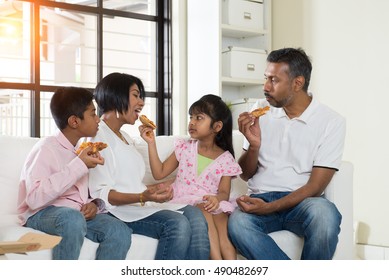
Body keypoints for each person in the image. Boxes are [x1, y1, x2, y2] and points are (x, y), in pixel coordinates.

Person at [228, 47, 346, 260]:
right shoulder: (260, 110)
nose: (265, 87)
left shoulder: (331, 122)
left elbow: (315, 186)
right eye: (266, 78)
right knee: (238, 224)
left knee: (325, 215)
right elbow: (245, 174)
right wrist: (253, 146)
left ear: (297, 83)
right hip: (260, 195)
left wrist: (270, 207)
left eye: (273, 80)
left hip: (304, 202)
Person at [87, 72, 210, 260]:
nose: (142, 102)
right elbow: (101, 194)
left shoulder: (125, 137)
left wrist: (160, 188)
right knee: (177, 223)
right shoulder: (98, 137)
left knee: (194, 213)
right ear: (115, 96)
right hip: (118, 211)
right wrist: (143, 196)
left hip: (138, 204)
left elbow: (130, 182)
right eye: (136, 95)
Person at [17, 87, 131, 260]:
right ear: (74, 121)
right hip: (41, 213)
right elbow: (34, 199)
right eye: (93, 114)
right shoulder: (46, 148)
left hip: (75, 213)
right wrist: (79, 164)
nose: (98, 119)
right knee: (72, 219)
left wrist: (94, 204)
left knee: (119, 230)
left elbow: (79, 195)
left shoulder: (80, 150)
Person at [140, 94, 242, 260]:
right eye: (191, 117)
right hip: (186, 199)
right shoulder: (184, 147)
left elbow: (224, 192)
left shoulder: (226, 159)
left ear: (217, 127)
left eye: (199, 118)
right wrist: (151, 143)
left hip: (212, 201)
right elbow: (159, 173)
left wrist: (216, 199)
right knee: (205, 212)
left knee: (222, 221)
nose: (192, 122)